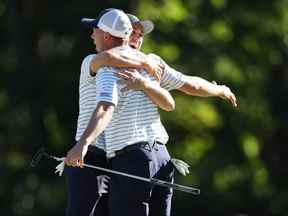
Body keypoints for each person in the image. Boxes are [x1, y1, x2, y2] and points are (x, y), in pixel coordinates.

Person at [82, 13, 238, 216]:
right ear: (121, 34)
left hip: (136, 159)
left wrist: (220, 90)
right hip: (156, 159)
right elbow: (108, 56)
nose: (137, 38)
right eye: (132, 32)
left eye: (140, 34)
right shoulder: (136, 62)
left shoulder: (146, 64)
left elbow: (191, 84)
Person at [64, 8, 177, 216]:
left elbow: (106, 107)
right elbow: (109, 57)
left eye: (94, 30)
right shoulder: (99, 62)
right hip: (115, 158)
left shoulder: (106, 66)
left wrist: (82, 144)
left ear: (106, 35)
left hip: (106, 158)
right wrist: (145, 61)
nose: (91, 35)